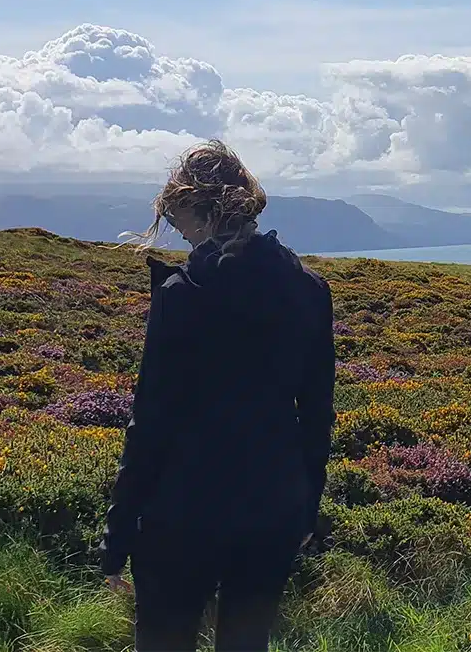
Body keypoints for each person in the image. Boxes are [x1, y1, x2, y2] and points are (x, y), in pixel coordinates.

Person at [99, 139, 336, 652]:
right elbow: (317, 416)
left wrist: (117, 535)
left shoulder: (182, 294)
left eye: (175, 216)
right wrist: (305, 509)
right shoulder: (310, 291)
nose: (177, 230)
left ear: (201, 211)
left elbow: (150, 421)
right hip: (272, 512)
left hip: (180, 514)